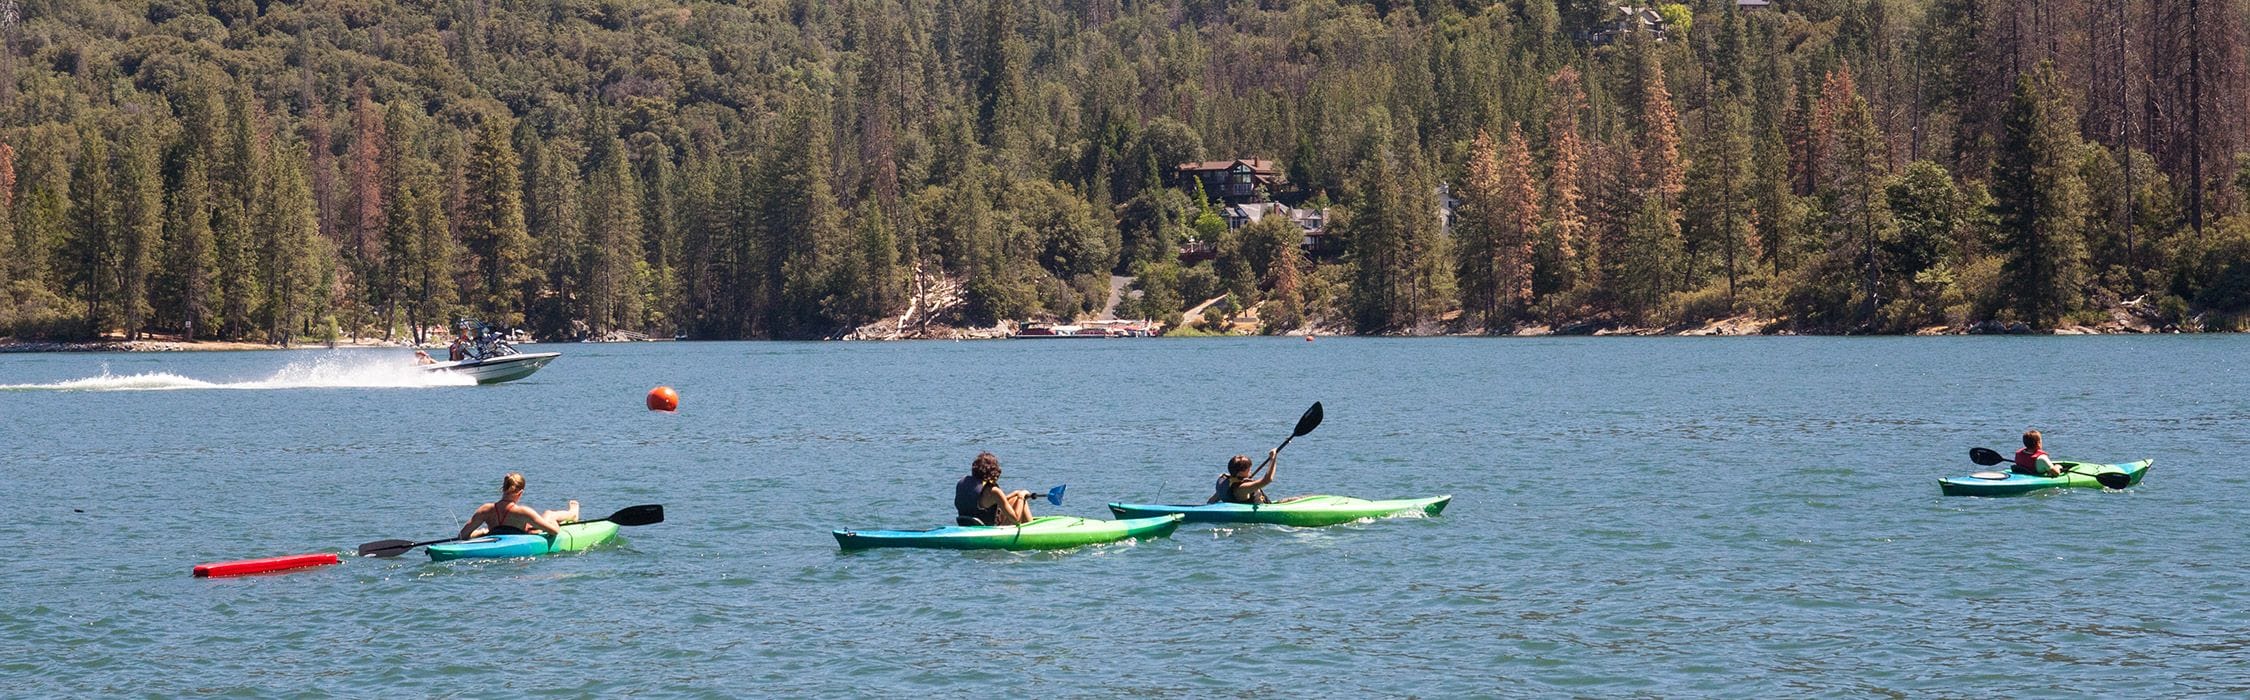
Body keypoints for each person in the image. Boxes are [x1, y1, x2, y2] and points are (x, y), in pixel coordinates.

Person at [457, 472, 580, 539]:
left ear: (503, 489)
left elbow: (462, 536)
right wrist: (555, 524)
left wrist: (483, 533)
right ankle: (572, 514)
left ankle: (572, 514)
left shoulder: (485, 510)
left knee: (542, 518)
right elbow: (554, 531)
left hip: (497, 536)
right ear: (520, 493)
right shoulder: (523, 512)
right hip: (521, 538)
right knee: (549, 514)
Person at [954, 452, 1033, 526]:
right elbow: (1016, 520)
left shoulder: (962, 482)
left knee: (1015, 497)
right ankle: (1032, 530)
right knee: (1021, 500)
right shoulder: (993, 491)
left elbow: (995, 501)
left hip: (966, 525)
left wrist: (1015, 493)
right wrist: (1021, 496)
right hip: (989, 530)